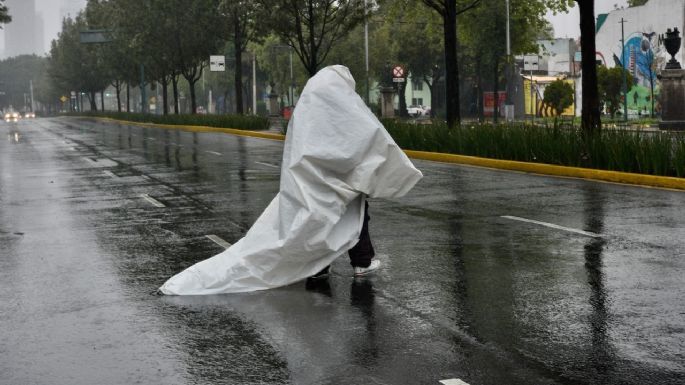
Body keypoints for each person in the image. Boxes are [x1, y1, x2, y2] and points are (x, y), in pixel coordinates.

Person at [159, 65, 422, 295]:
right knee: (356, 212)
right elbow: (367, 137)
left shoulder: (308, 109)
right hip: (344, 178)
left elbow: (297, 149)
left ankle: (319, 266)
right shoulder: (347, 109)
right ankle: (362, 262)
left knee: (316, 220)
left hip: (312, 181)